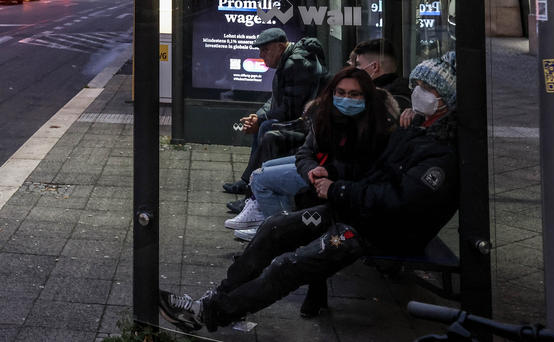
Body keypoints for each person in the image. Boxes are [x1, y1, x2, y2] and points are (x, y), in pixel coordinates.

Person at [161, 52, 458, 333]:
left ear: (444, 100)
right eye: (417, 85)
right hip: (356, 210)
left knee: (288, 266)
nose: (418, 92)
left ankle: (209, 314)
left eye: (426, 88)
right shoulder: (414, 127)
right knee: (274, 228)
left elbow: (398, 200)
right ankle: (217, 298)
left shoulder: (438, 152)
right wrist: (328, 176)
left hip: (378, 229)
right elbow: (359, 168)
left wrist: (337, 187)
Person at [228, 66, 396, 239]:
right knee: (266, 167)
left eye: (354, 94)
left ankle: (277, 232)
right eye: (341, 92)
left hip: (340, 181)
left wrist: (328, 171)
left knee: (260, 178)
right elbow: (305, 152)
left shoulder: (377, 124)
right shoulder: (325, 114)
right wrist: (310, 170)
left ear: (366, 96)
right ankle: (271, 221)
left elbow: (364, 165)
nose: (347, 99)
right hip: (317, 170)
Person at [222, 28, 328, 195]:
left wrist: (261, 120)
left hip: (309, 124)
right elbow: (278, 98)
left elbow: (290, 109)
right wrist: (257, 116)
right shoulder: (289, 60)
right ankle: (249, 181)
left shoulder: (295, 64)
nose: (261, 55)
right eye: (260, 50)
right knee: (264, 124)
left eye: (265, 50)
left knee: (267, 128)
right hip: (303, 119)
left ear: (280, 47)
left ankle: (253, 186)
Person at [347, 38, 411, 110]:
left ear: (374, 67)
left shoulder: (377, 98)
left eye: (358, 64)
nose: (355, 69)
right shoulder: (408, 91)